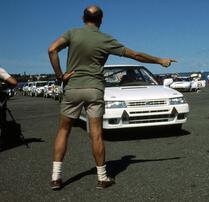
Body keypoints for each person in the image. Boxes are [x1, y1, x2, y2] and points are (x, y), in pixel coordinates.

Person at [48, 5, 176, 190]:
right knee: (96, 135)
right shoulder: (106, 39)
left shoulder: (72, 33)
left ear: (83, 18)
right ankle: (102, 178)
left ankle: (56, 177)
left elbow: (52, 49)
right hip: (94, 89)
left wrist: (60, 75)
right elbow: (135, 55)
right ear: (101, 20)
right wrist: (160, 60)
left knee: (63, 131)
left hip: (73, 88)